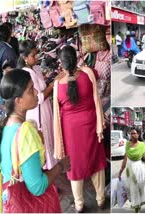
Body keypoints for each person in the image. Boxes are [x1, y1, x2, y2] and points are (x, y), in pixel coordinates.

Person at [0, 69, 70, 212]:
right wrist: (61, 166)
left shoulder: (4, 124)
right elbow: (37, 187)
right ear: (18, 101)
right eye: (31, 90)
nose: (36, 92)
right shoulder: (25, 133)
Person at [54, 45, 107, 212]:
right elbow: (98, 76)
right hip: (91, 125)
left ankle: (79, 205)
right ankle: (101, 199)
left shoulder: (58, 84)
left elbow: (57, 110)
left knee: (74, 166)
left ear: (61, 64)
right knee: (96, 162)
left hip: (70, 130)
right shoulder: (87, 74)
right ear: (76, 59)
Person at [17, 40, 61, 170]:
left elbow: (42, 86)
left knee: (49, 138)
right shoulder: (27, 73)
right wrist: (53, 85)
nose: (36, 58)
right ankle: (47, 172)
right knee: (43, 140)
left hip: (45, 110)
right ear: (25, 58)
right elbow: (38, 98)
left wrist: (50, 81)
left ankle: (51, 168)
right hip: (37, 112)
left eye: (36, 54)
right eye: (33, 56)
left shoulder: (35, 68)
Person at [118, 128, 145, 212]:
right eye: (131, 133)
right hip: (130, 172)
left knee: (139, 189)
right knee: (132, 189)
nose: (132, 135)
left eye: (134, 133)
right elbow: (125, 159)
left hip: (139, 171)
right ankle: (136, 207)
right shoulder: (127, 145)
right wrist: (120, 171)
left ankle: (137, 208)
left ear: (138, 134)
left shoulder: (142, 145)